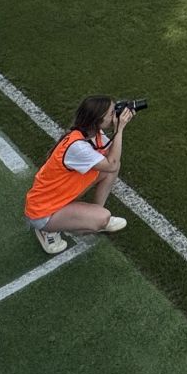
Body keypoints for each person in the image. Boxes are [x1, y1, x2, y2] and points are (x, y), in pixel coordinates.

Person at [23, 96, 135, 255]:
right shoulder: (78, 147)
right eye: (112, 113)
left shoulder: (92, 133)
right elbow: (113, 162)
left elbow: (112, 160)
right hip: (43, 211)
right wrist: (120, 129)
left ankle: (89, 215)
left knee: (110, 170)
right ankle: (48, 230)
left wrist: (118, 127)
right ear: (97, 119)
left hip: (60, 196)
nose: (115, 115)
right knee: (103, 218)